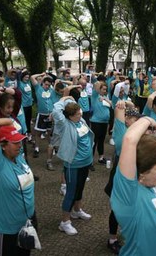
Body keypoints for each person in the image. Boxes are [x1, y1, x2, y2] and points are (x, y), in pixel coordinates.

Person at [111, 116, 156, 255]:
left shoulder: (151, 185)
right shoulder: (129, 195)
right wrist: (147, 119)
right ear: (142, 172)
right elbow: (129, 140)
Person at [0, 119, 36, 255]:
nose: (20, 145)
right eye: (15, 142)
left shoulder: (18, 157)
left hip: (27, 222)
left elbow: (10, 121)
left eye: (19, 141)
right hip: (7, 228)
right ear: (3, 146)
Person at [104, 100, 142, 254]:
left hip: (134, 176)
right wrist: (120, 105)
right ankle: (112, 239)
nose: (138, 122)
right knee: (117, 209)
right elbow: (119, 112)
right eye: (134, 119)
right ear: (126, 120)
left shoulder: (135, 131)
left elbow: (133, 109)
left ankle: (129, 232)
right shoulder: (121, 132)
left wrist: (127, 102)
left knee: (133, 207)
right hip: (120, 177)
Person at [52, 96, 94, 236]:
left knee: (80, 188)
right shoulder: (64, 124)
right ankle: (64, 222)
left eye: (80, 112)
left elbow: (76, 110)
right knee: (71, 192)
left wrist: (72, 102)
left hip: (85, 162)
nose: (80, 114)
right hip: (73, 164)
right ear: (69, 116)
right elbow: (57, 110)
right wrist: (64, 98)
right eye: (77, 114)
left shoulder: (80, 120)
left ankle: (77, 211)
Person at [90, 81, 111, 167]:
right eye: (103, 89)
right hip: (96, 122)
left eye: (106, 90)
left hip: (104, 122)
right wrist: (98, 83)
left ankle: (101, 158)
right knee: (94, 141)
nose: (104, 91)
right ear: (99, 89)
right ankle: (90, 161)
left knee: (101, 140)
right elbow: (95, 87)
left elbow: (112, 105)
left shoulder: (106, 97)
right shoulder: (95, 96)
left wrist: (105, 99)